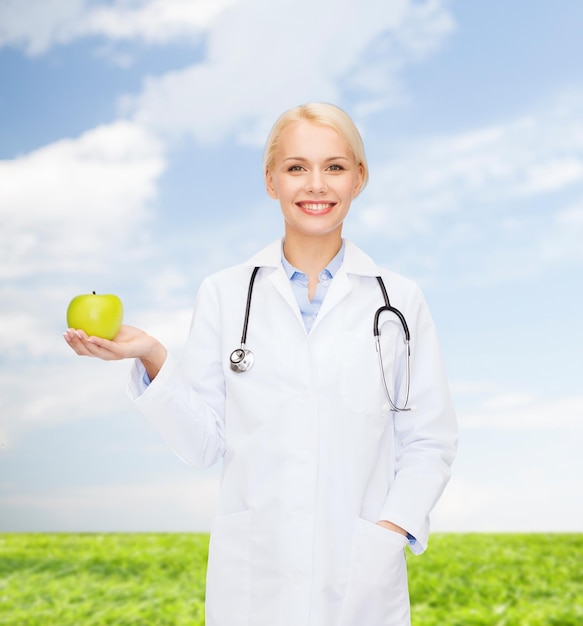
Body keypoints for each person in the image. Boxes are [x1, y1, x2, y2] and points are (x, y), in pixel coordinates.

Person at [64, 102, 457, 626]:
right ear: (271, 180)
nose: (315, 184)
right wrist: (154, 357)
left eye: (334, 167)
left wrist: (389, 531)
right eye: (296, 167)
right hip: (255, 583)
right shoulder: (226, 294)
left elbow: (430, 440)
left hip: (361, 580)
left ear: (359, 178)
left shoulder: (400, 302)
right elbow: (204, 444)